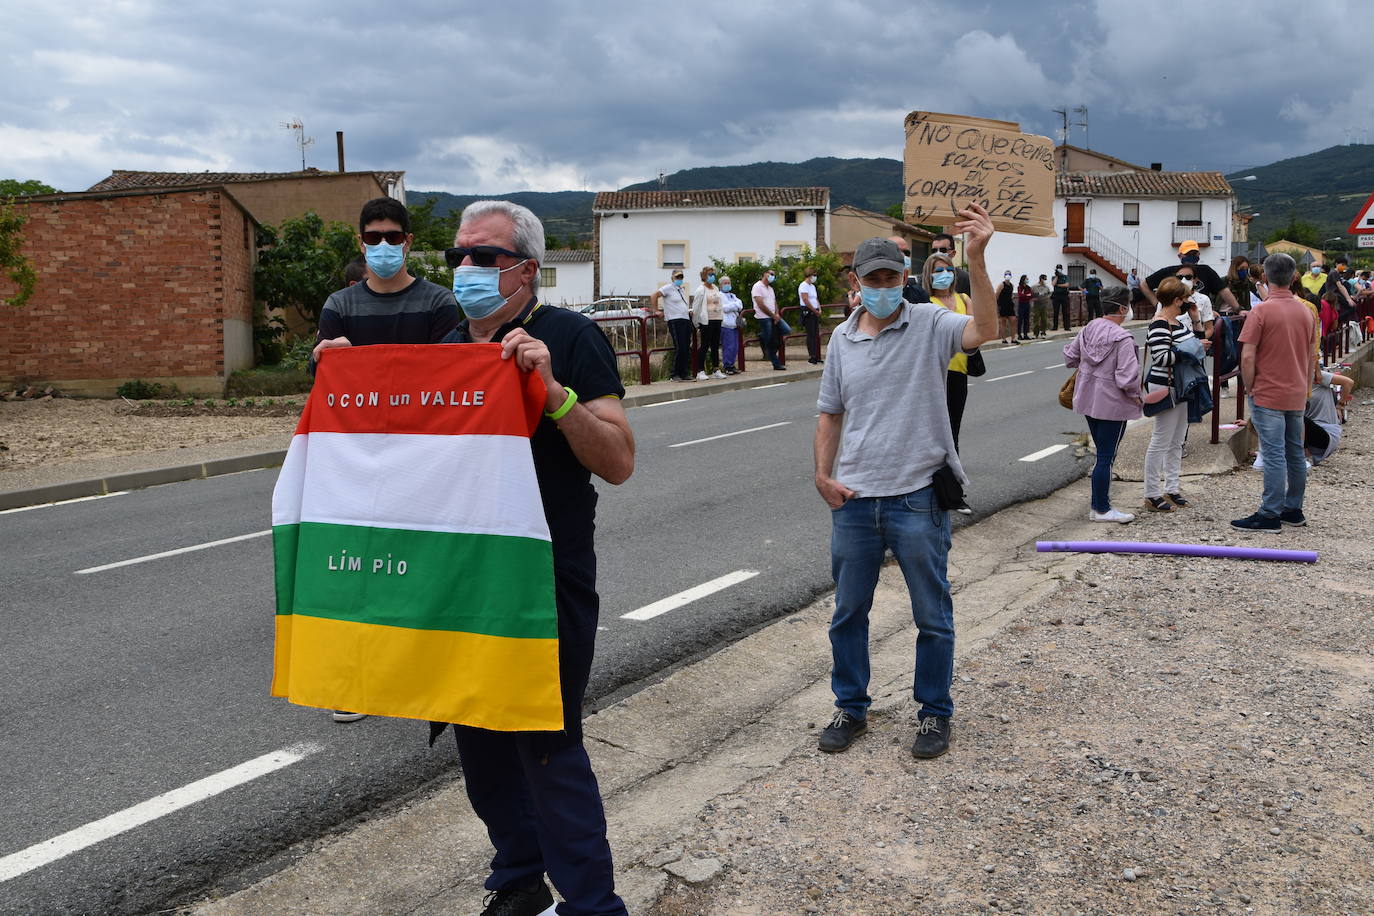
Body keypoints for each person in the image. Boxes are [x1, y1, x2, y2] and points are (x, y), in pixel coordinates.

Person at [438, 199, 635, 916]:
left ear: (526, 267)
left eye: (483, 257)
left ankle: (591, 905)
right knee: (481, 748)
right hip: (461, 580)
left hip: (542, 581)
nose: (466, 268)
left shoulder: (570, 337)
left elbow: (617, 460)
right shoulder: (444, 342)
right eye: (457, 254)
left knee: (547, 746)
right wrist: (344, 380)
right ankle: (518, 883)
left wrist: (554, 396)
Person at [812, 203, 998, 759]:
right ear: (857, 282)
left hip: (917, 496)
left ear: (904, 278)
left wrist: (978, 258)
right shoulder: (842, 340)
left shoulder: (930, 324)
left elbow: (984, 329)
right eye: (873, 279)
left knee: (931, 614)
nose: (883, 288)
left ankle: (934, 714)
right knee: (847, 613)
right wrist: (822, 475)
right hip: (854, 499)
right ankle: (851, 707)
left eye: (893, 277)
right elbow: (829, 413)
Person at [312, 198, 460, 725]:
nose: (382, 247)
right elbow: (326, 384)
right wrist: (326, 361)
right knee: (361, 568)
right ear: (360, 243)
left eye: (392, 237)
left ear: (408, 242)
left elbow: (450, 382)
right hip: (361, 460)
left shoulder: (441, 303)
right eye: (372, 238)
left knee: (422, 566)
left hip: (423, 460)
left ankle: (426, 676)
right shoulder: (340, 306)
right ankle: (357, 682)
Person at [1232, 252, 1319, 532]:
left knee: (1272, 453)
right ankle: (1293, 509)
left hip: (1268, 392)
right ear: (1295, 277)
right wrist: (1306, 388)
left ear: (1265, 277)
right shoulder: (1305, 311)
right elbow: (1310, 356)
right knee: (1295, 452)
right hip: (1296, 392)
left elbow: (1247, 356)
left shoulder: (1261, 311)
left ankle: (1269, 513)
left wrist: (1251, 386)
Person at [1063, 287, 1141, 523]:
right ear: (1121, 308)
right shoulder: (1122, 337)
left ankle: (1099, 505)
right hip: (1113, 403)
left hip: (1087, 397)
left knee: (1101, 454)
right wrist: (1139, 397)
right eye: (1128, 305)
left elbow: (1070, 357)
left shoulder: (1088, 328)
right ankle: (1101, 508)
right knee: (1106, 456)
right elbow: (1127, 377)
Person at [1141, 277, 1199, 513]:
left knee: (1177, 441)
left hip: (1181, 386)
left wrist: (1196, 325)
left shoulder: (1178, 322)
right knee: (1161, 440)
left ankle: (1172, 487)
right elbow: (1161, 357)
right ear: (1176, 300)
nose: (1187, 302)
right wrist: (1192, 352)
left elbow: (1195, 338)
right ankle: (1151, 493)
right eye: (1185, 299)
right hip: (1165, 386)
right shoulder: (1159, 324)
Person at [923, 251, 975, 454]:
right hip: (934, 373)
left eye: (949, 269)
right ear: (929, 274)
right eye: (939, 270)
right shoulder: (926, 302)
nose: (945, 273)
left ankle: (953, 471)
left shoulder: (964, 298)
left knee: (954, 426)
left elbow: (974, 332)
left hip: (959, 371)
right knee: (935, 428)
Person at [1143, 240, 1241, 313]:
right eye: (1188, 254)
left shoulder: (1206, 271)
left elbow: (1223, 291)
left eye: (1194, 254)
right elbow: (1144, 285)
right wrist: (1156, 304)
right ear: (1180, 256)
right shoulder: (1168, 271)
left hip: (1200, 314)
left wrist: (1238, 309)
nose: (1191, 256)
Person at [1303, 365, 1353, 466]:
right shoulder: (1291, 382)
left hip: (1327, 432)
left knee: (1296, 416)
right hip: (1309, 434)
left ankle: (1305, 455)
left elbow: (1348, 382)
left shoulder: (1314, 376)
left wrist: (1340, 405)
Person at [650, 269, 693, 381]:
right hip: (675, 319)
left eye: (681, 277)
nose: (679, 279)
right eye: (677, 277)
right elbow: (654, 295)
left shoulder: (681, 290)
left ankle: (684, 373)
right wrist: (656, 310)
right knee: (680, 347)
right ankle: (675, 374)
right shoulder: (668, 288)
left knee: (686, 347)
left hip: (685, 319)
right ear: (672, 278)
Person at [691, 266, 726, 379]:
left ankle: (716, 369)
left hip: (717, 318)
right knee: (705, 345)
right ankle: (700, 371)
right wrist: (696, 322)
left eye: (713, 274)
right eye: (709, 274)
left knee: (715, 345)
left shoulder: (715, 287)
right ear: (704, 276)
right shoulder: (701, 290)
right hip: (706, 321)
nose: (712, 277)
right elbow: (696, 307)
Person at [752, 267, 785, 370]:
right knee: (770, 342)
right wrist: (772, 315)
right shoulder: (757, 286)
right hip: (764, 317)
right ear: (765, 274)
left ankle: (762, 336)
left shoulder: (770, 288)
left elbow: (774, 302)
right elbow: (760, 304)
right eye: (770, 274)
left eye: (773, 274)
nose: (772, 276)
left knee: (785, 330)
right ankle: (776, 363)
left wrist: (777, 313)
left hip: (773, 316)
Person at [890, 236, 927, 303]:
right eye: (897, 251)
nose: (903, 256)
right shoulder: (871, 291)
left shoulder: (918, 293)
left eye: (906, 253)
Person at [798, 265, 824, 364]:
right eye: (813, 275)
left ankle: (817, 355)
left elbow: (815, 298)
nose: (814, 277)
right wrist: (814, 310)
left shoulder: (812, 286)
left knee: (816, 334)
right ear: (809, 275)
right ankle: (812, 355)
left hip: (815, 311)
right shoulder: (803, 285)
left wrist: (819, 308)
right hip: (808, 311)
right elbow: (805, 299)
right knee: (810, 334)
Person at [719, 274, 743, 374]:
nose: (727, 285)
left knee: (735, 346)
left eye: (728, 283)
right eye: (725, 283)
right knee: (728, 346)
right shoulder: (719, 295)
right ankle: (727, 366)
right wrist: (735, 306)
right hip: (726, 324)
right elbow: (724, 308)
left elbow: (740, 304)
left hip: (734, 324)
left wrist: (733, 306)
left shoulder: (733, 295)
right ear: (720, 285)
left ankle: (732, 364)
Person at [995, 270, 1016, 343]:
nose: (1008, 276)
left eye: (1009, 274)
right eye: (1006, 274)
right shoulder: (1001, 285)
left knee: (1013, 320)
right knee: (1003, 322)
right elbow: (997, 295)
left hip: (1009, 305)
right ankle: (1004, 339)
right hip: (1002, 305)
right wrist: (997, 306)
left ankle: (1013, 338)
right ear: (1004, 276)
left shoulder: (1012, 285)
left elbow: (1010, 294)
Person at [1051, 263, 1071, 331]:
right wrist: (1057, 276)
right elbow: (1053, 284)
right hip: (1056, 296)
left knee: (1065, 312)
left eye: (1060, 268)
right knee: (1055, 312)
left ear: (1062, 269)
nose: (1059, 270)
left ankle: (1067, 327)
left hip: (1064, 295)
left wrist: (1058, 285)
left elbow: (1067, 285)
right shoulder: (1054, 277)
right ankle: (1055, 327)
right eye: (1058, 268)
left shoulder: (1065, 276)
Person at [1015, 274, 1033, 340]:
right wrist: (1026, 295)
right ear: (1023, 280)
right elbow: (1020, 295)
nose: (1027, 280)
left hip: (1027, 304)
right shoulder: (1020, 287)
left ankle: (1025, 334)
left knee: (1026, 320)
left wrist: (1025, 295)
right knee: (1020, 320)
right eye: (1026, 279)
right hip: (1021, 304)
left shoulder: (1028, 287)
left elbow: (1031, 295)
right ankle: (1019, 334)